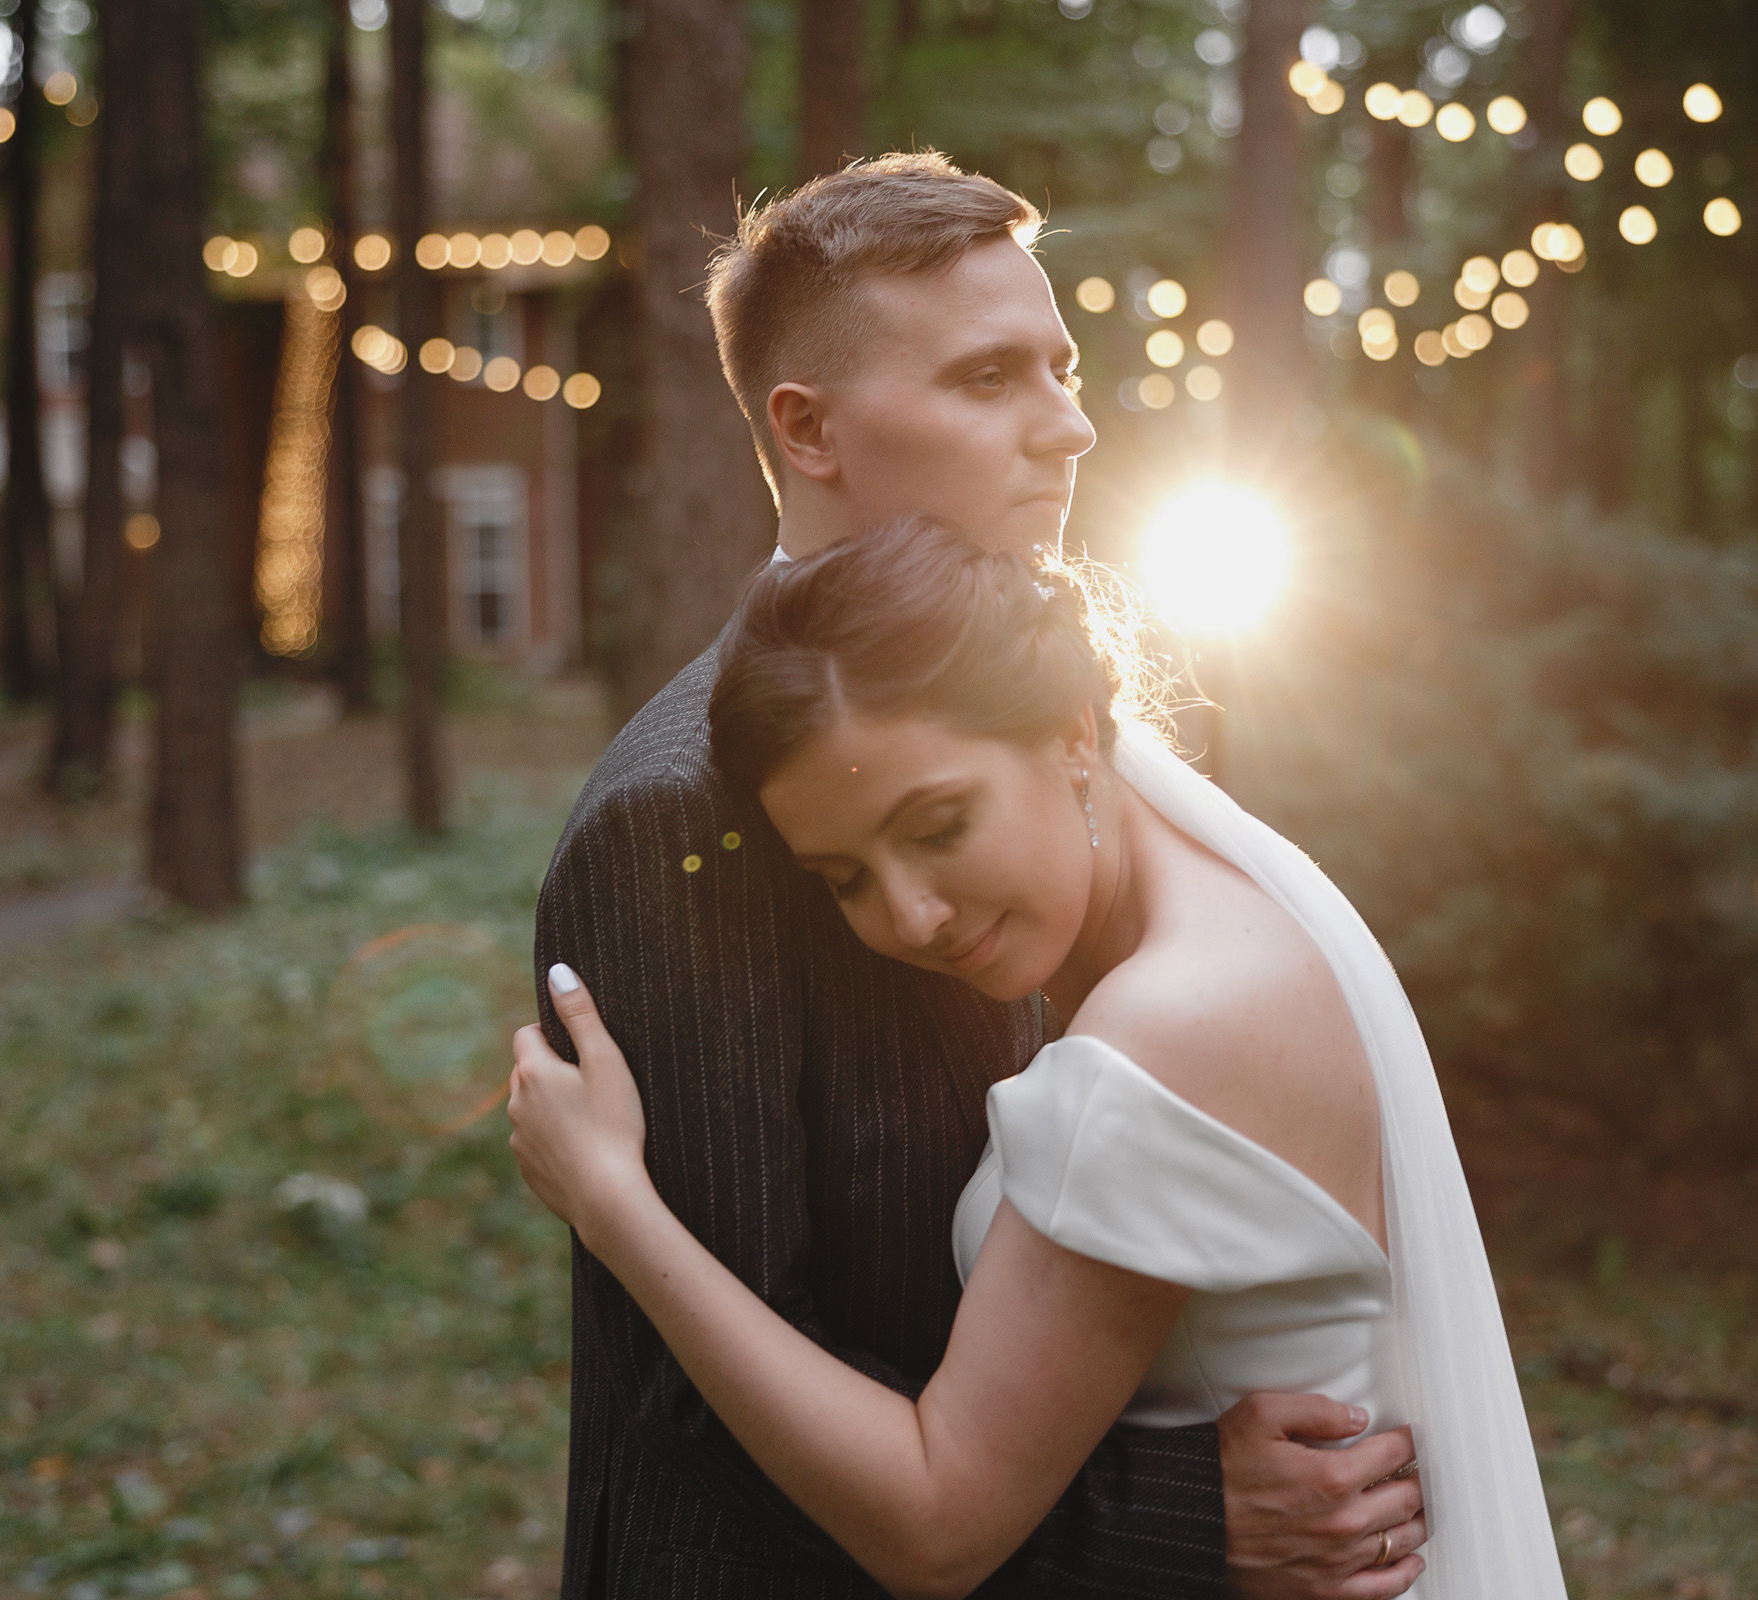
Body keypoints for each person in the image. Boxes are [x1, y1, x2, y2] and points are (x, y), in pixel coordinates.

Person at [526, 151, 1429, 1599]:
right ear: (808, 429)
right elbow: (706, 1402)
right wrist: (1188, 1520)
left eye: (1063, 370)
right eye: (992, 379)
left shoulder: (1045, 718)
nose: (1070, 428)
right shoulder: (680, 814)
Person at [510, 522, 1568, 1600]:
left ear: (1072, 734)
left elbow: (934, 1525)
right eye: (843, 877)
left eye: (938, 823)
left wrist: (615, 1204)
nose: (909, 915)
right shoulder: (1238, 906)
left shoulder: (1161, 1041)